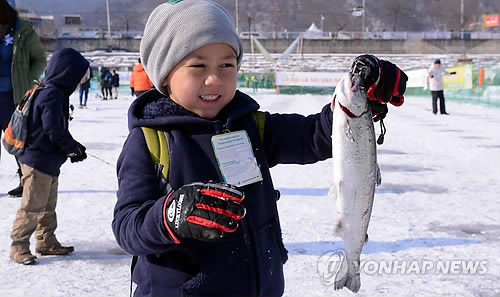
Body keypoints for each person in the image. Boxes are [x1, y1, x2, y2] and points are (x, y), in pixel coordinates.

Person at [112, 1, 407, 296]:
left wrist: (357, 106)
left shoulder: (250, 125)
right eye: (198, 66)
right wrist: (169, 215)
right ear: (164, 75)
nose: (215, 78)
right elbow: (127, 227)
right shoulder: (150, 141)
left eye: (226, 65)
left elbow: (313, 136)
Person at [10, 48, 89, 265]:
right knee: (33, 205)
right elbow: (54, 129)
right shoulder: (52, 94)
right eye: (79, 75)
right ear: (68, 73)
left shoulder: (55, 92)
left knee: (47, 204)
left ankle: (46, 240)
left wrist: (73, 148)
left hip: (48, 161)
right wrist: (72, 148)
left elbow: (56, 130)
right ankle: (19, 246)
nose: (80, 81)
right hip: (37, 160)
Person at [0, 0, 47, 198]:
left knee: (18, 140)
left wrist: (30, 80)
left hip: (13, 95)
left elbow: (40, 60)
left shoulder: (23, 31)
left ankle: (24, 180)